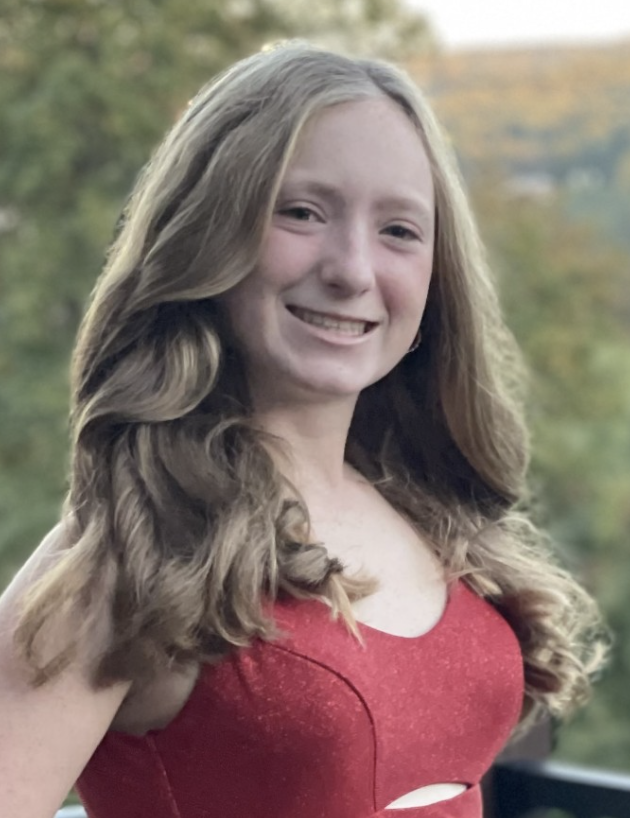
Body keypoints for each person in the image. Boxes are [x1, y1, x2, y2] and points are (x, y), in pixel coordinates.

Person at [0, 41, 606, 818]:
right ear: (208, 235)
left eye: (398, 230)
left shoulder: (427, 509)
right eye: (301, 212)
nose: (353, 269)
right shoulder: (132, 548)